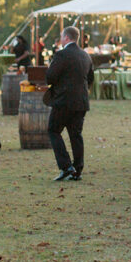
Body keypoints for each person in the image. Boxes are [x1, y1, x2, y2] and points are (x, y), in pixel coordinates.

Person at [46, 27, 94, 182]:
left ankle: (66, 166)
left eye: (61, 36)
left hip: (63, 101)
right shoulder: (85, 55)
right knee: (76, 135)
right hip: (81, 102)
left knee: (53, 130)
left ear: (66, 37)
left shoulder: (61, 54)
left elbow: (50, 77)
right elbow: (90, 79)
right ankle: (78, 169)